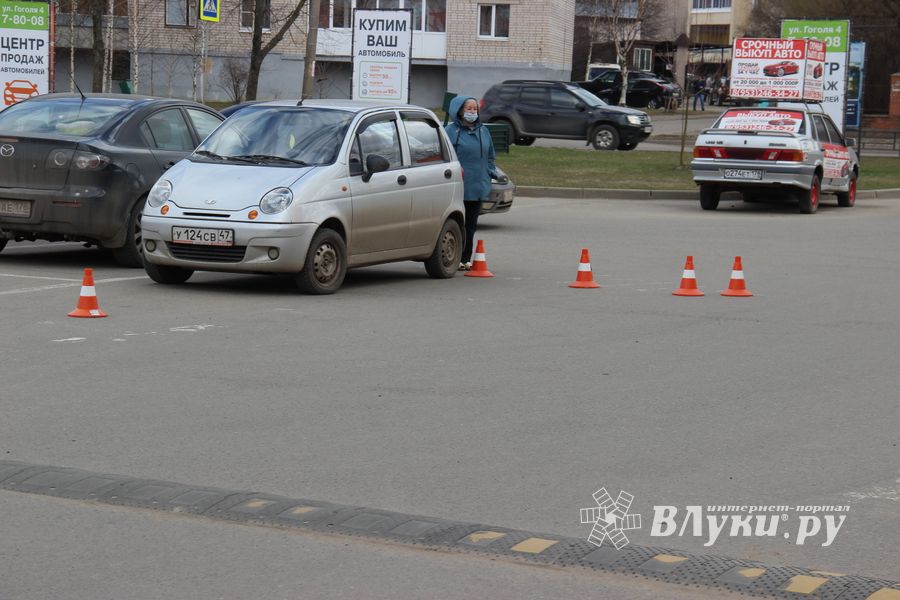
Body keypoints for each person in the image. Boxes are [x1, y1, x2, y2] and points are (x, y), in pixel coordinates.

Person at [444, 96, 505, 271]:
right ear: (459, 110)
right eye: (468, 108)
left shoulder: (483, 131)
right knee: (456, 224)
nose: (472, 112)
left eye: (475, 109)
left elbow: (490, 156)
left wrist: (490, 172)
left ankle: (465, 258)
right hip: (458, 185)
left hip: (477, 186)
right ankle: (452, 256)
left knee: (470, 225)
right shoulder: (450, 131)